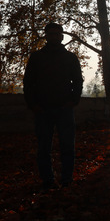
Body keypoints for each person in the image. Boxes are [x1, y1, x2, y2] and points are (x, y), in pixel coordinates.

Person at [24, 23, 83, 191]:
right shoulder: (36, 58)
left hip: (64, 109)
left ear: (62, 36)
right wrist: (33, 105)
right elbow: (28, 83)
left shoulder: (70, 58)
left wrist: (73, 101)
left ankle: (66, 180)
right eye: (51, 34)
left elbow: (78, 81)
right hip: (43, 109)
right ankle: (48, 180)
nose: (54, 37)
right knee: (43, 147)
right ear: (46, 36)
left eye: (57, 34)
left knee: (67, 147)